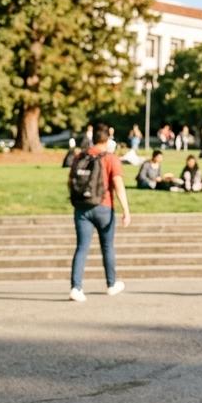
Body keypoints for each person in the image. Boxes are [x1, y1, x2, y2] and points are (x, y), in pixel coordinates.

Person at [69, 126, 131, 302]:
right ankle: (111, 284)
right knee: (107, 246)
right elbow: (118, 185)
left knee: (82, 247)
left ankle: (76, 287)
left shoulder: (80, 156)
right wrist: (126, 210)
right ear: (107, 140)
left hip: (82, 208)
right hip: (104, 207)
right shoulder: (110, 158)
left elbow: (71, 181)